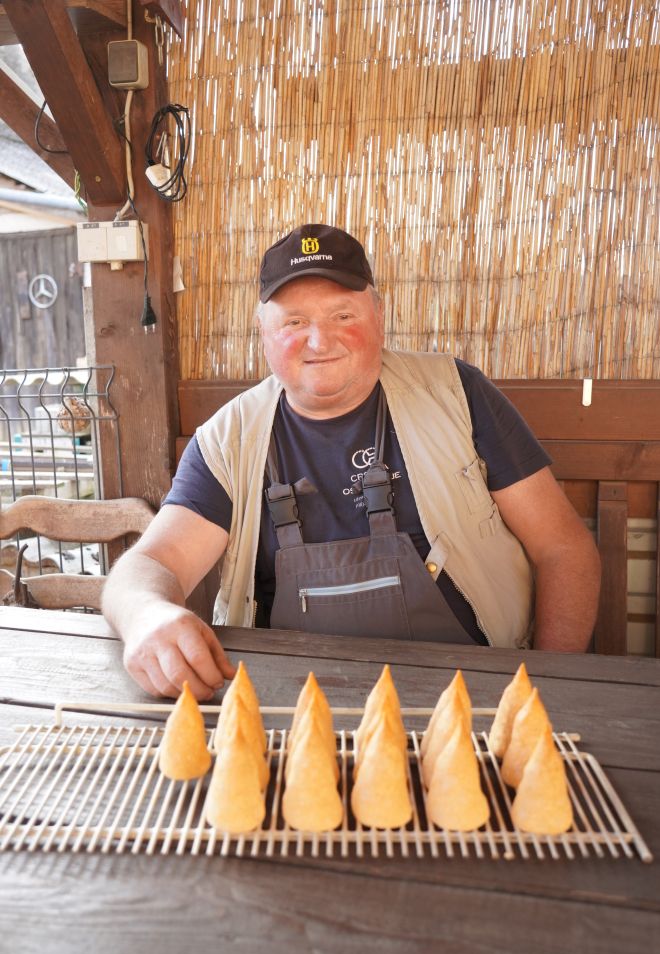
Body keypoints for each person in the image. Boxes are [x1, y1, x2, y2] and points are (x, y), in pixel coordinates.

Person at [102, 224, 601, 699]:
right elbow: (149, 564)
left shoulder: (457, 394)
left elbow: (562, 548)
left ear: (379, 316)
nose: (320, 341)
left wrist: (548, 689)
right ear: (263, 331)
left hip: (475, 691)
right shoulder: (227, 439)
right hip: (287, 702)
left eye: (343, 316)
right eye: (295, 322)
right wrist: (147, 615)